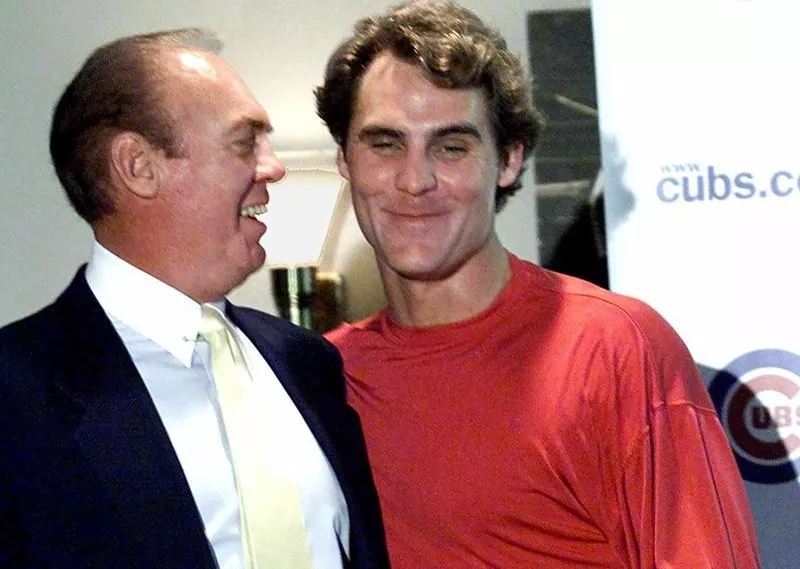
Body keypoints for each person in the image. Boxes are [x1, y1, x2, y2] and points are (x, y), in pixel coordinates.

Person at [315, 2, 761, 567]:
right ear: (345, 161)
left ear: (507, 160)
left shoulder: (616, 348)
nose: (414, 180)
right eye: (385, 144)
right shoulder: (322, 378)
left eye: (451, 146)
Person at [0, 28, 389, 569]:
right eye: (244, 141)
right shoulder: (16, 395)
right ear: (138, 166)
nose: (274, 166)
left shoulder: (306, 362)